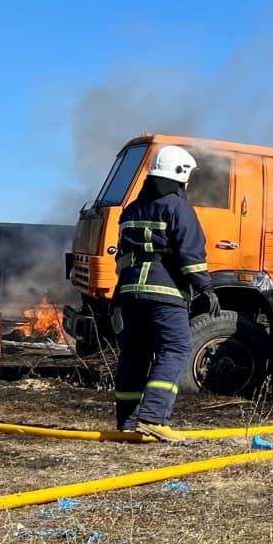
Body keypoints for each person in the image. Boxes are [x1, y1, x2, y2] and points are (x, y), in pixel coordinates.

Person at [112, 144, 220, 442]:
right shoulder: (177, 207)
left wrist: (119, 293)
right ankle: (153, 417)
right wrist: (205, 287)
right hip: (165, 291)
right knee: (175, 348)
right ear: (181, 175)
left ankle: (128, 420)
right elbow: (191, 251)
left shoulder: (131, 209)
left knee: (135, 353)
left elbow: (121, 255)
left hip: (131, 291)